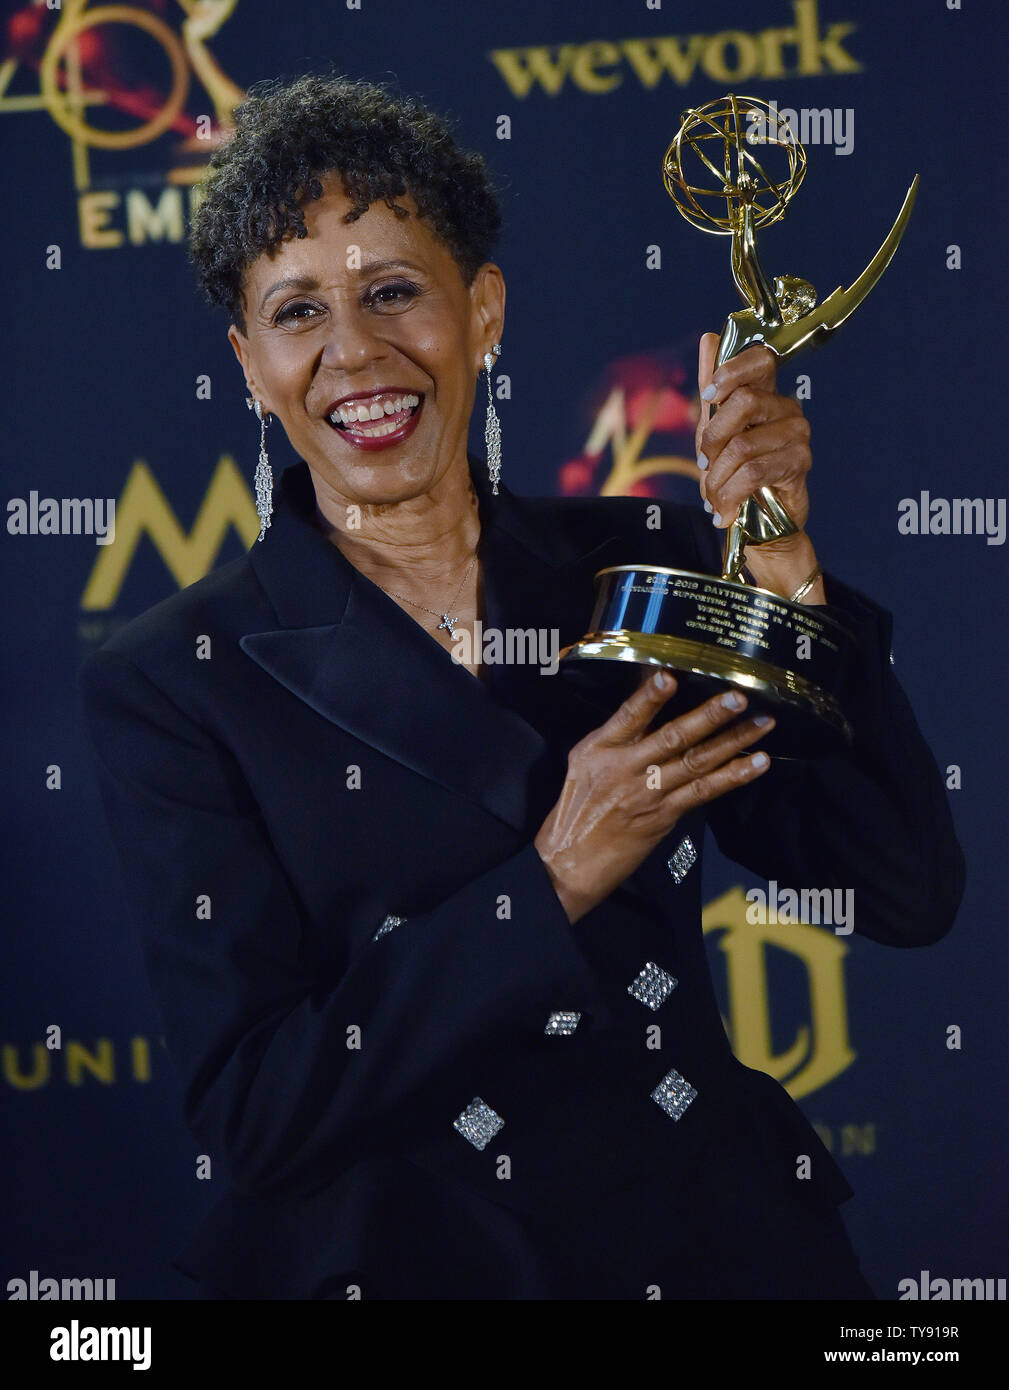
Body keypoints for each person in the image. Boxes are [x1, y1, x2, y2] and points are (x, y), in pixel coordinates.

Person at [78, 73, 964, 1300]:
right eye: (297, 311)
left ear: (482, 309)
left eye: (395, 291)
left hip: (723, 1252)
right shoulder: (177, 680)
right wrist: (550, 879)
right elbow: (260, 1115)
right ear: (246, 361)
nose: (356, 353)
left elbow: (902, 888)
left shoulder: (637, 567)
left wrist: (780, 574)